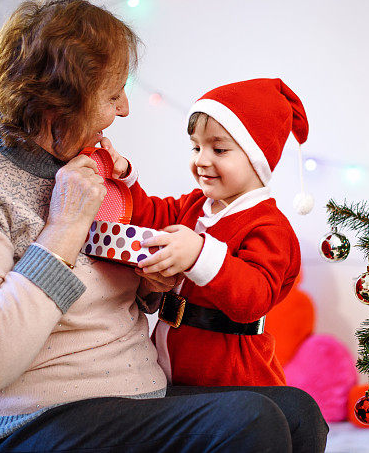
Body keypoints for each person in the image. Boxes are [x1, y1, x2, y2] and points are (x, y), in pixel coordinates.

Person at [0, 0, 327, 452]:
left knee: (299, 414)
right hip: (20, 421)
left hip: (123, 397)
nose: (123, 109)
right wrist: (63, 228)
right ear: (58, 100)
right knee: (250, 421)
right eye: (111, 94)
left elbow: (98, 297)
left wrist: (151, 285)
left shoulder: (87, 164)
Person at [103, 79, 308, 387]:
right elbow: (150, 218)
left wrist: (199, 255)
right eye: (196, 147)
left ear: (258, 157)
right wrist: (126, 178)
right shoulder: (197, 204)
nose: (201, 160)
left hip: (234, 377)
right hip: (173, 362)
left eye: (219, 149)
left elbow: (254, 297)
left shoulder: (268, 225)